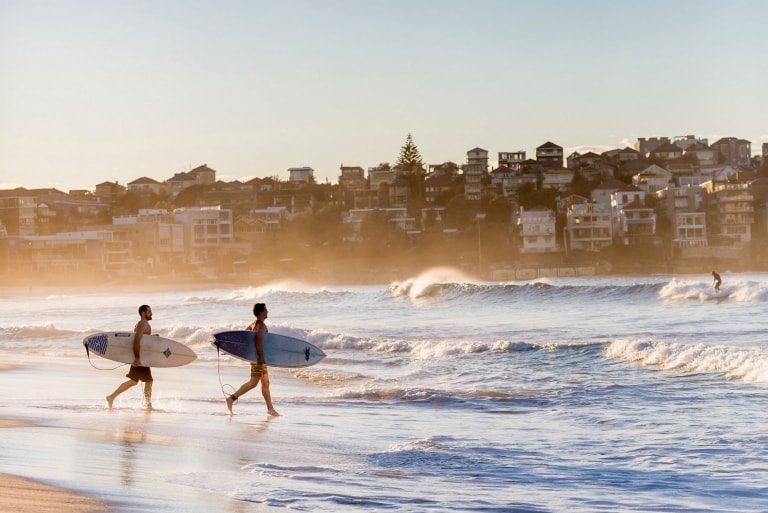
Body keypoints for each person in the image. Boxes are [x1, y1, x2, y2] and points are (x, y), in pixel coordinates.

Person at [226, 303, 279, 416]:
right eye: (265, 310)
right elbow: (257, 340)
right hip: (258, 358)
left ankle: (270, 409)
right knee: (253, 383)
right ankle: (231, 399)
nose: (267, 312)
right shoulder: (261, 326)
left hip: (256, 357)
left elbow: (245, 336)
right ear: (261, 312)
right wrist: (260, 357)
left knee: (265, 383)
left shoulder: (254, 324)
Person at [106, 305, 155, 410]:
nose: (151, 313)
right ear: (143, 313)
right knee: (147, 381)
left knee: (134, 381)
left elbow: (143, 340)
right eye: (149, 311)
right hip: (140, 357)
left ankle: (111, 397)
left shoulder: (146, 325)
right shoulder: (142, 324)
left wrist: (153, 338)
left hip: (142, 357)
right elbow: (136, 341)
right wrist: (137, 358)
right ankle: (148, 405)